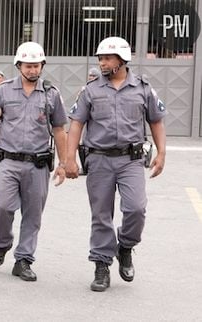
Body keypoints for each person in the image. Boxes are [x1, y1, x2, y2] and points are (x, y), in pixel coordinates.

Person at [64, 36, 167, 292]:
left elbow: (156, 120)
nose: (102, 63)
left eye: (107, 58)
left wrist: (162, 152)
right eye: (100, 58)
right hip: (99, 159)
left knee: (136, 209)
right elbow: (76, 124)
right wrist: (69, 158)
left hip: (130, 160)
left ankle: (126, 246)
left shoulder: (143, 88)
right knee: (101, 215)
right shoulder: (90, 91)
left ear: (122, 60)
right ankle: (101, 264)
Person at [0, 42, 68, 282]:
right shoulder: (3, 91)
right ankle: (2, 243)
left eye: (36, 65)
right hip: (8, 160)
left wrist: (64, 163)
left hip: (38, 164)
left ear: (42, 66)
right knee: (2, 206)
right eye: (28, 66)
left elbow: (59, 130)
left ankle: (24, 260)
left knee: (33, 214)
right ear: (19, 66)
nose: (32, 70)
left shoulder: (51, 94)